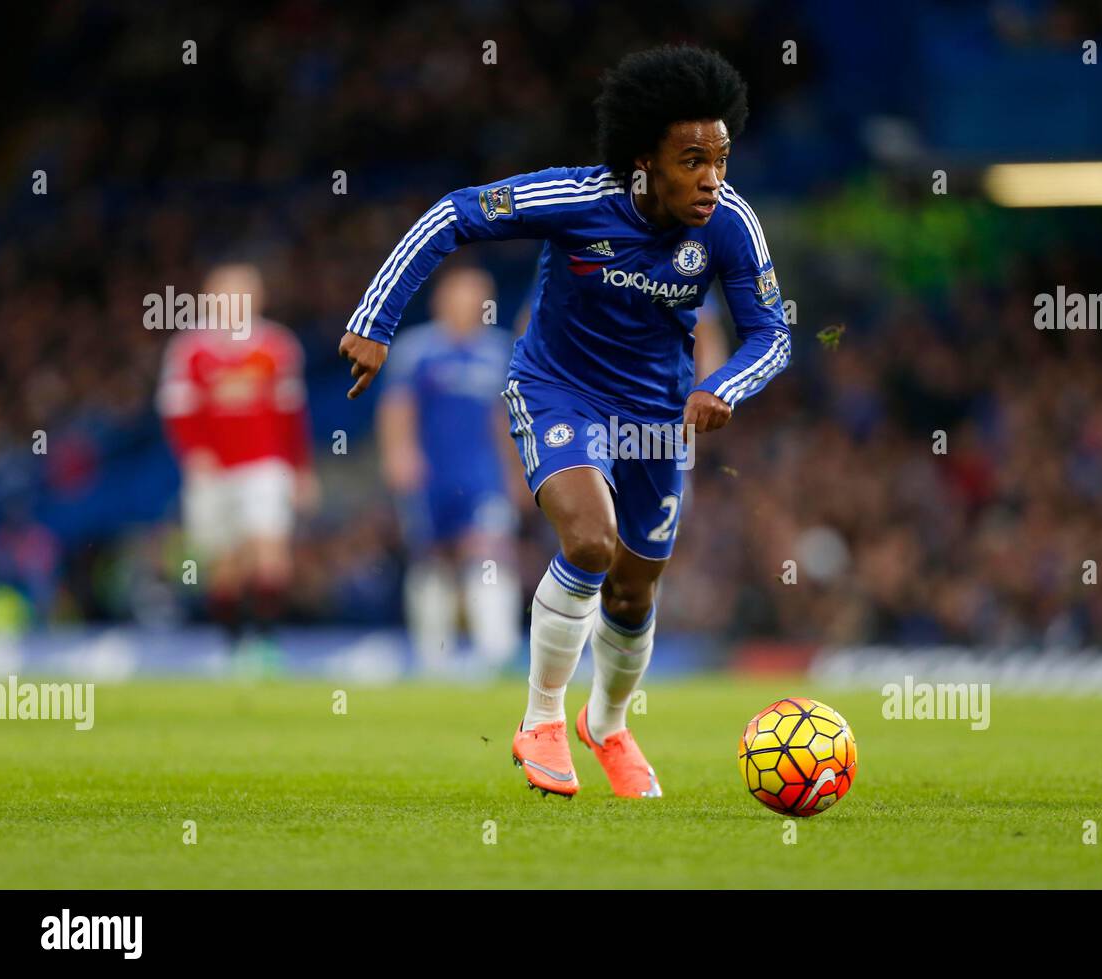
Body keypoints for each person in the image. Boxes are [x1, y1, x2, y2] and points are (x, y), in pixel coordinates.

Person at [338, 46, 790, 798]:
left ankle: (607, 723)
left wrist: (723, 386)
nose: (712, 177)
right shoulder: (576, 198)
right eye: (691, 160)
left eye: (720, 158)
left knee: (635, 588)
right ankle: (542, 717)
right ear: (643, 162)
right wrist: (376, 318)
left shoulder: (730, 223)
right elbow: (453, 214)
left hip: (656, 415)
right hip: (559, 390)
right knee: (589, 541)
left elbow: (770, 332)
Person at [158, 263, 317, 668]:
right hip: (212, 472)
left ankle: (264, 644)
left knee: (269, 550)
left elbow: (292, 415)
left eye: (242, 293)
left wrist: (300, 469)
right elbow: (177, 410)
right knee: (224, 566)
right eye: (225, 293)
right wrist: (195, 452)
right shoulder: (190, 349)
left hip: (265, 465)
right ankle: (232, 646)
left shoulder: (277, 347)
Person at [376, 265, 523, 676]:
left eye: (475, 297)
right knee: (433, 558)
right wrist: (398, 455)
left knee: (489, 553)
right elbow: (397, 408)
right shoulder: (416, 350)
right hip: (432, 473)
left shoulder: (500, 352)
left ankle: (496, 652)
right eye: (459, 296)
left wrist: (516, 473)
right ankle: (432, 657)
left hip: (483, 476)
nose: (466, 306)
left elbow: (506, 420)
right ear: (441, 300)